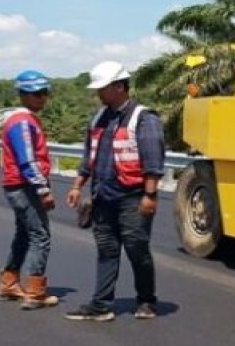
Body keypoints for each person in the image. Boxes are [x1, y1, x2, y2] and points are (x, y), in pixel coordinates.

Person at [64, 60, 165, 322]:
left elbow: (153, 160)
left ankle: (146, 300)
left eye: (103, 88)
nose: (98, 93)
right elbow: (90, 157)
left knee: (137, 250)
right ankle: (101, 305)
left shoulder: (144, 118)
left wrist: (150, 195)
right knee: (107, 251)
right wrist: (78, 185)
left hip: (133, 198)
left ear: (120, 86)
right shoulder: (100, 117)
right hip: (103, 197)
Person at [0, 69, 60, 309]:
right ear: (22, 95)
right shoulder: (22, 122)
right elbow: (28, 161)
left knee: (24, 234)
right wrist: (44, 191)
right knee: (40, 236)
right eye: (36, 94)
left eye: (44, 93)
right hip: (24, 186)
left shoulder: (24, 119)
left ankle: (9, 283)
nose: (41, 98)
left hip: (18, 185)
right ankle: (35, 292)